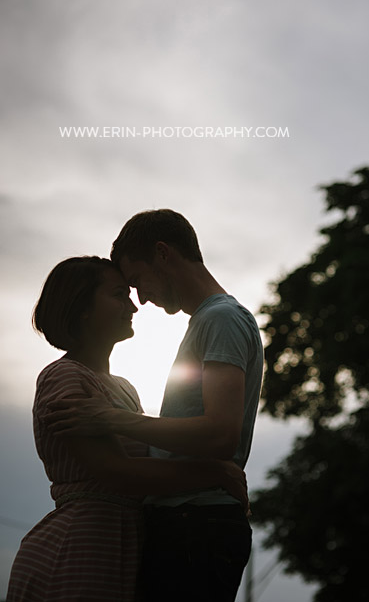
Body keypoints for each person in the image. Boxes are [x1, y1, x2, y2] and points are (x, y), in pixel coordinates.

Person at [44, 210, 264, 602]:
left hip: (195, 523)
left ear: (163, 254)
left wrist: (114, 418)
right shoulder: (211, 321)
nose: (140, 299)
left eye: (136, 282)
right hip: (188, 522)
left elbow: (220, 433)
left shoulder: (221, 319)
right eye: (126, 291)